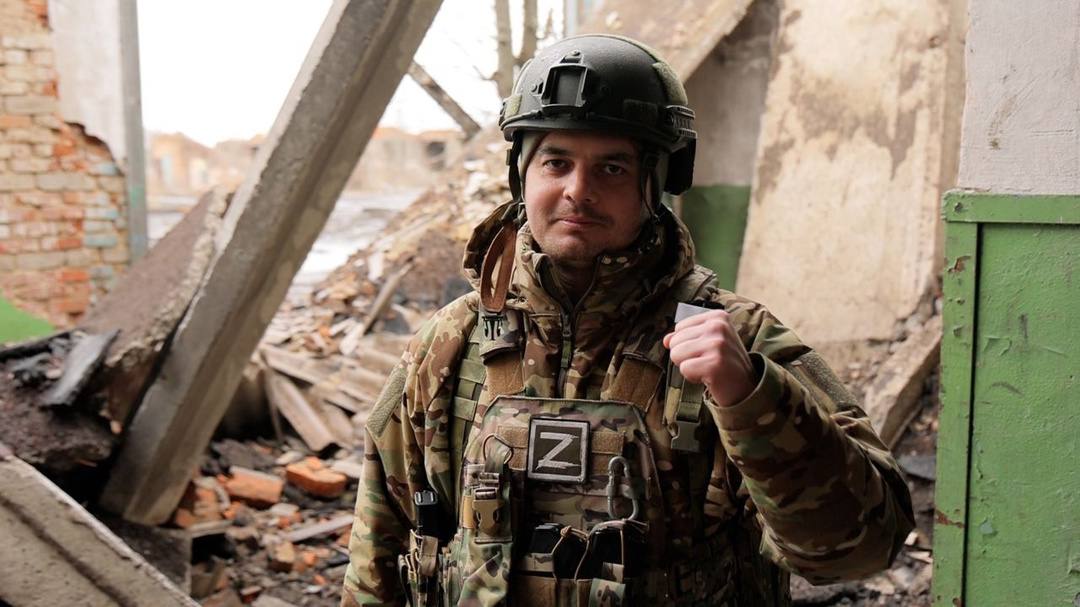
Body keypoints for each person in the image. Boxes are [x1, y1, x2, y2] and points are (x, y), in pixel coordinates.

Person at [341, 34, 914, 607]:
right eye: (556, 162)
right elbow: (377, 550)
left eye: (612, 167)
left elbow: (861, 550)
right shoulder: (449, 343)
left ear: (656, 182)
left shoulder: (738, 341)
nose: (578, 191)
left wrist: (751, 398)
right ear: (522, 174)